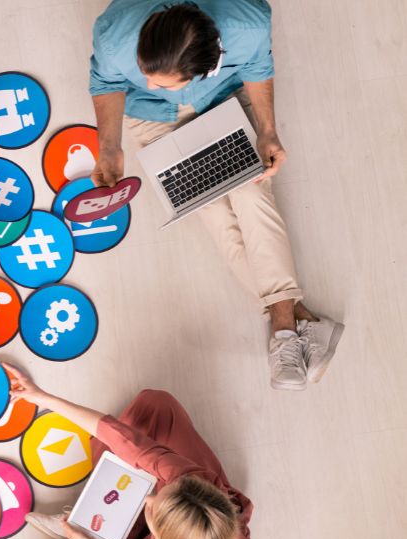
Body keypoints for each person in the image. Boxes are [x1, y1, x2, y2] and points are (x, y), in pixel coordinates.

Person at [87, 0, 343, 391]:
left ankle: (283, 325)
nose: (149, 84)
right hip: (150, 117)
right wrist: (109, 145)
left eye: (161, 81)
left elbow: (258, 68)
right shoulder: (114, 34)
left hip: (221, 99)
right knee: (211, 213)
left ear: (205, 67)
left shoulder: (249, 22)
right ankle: (293, 320)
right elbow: (107, 83)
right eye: (145, 72)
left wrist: (268, 130)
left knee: (252, 194)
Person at [1, 364, 253, 539]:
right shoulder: (194, 481)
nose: (150, 496)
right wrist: (43, 397)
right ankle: (113, 523)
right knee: (155, 406)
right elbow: (129, 442)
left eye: (154, 508)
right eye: (165, 489)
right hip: (183, 532)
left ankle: (107, 531)